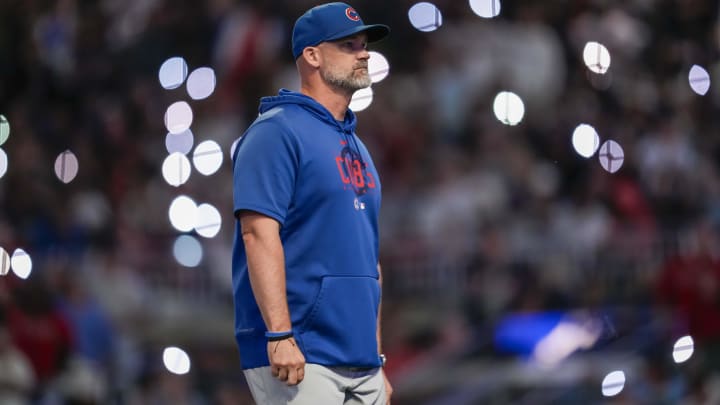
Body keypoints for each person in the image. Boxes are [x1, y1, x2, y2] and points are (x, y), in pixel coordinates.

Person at [230, 2, 392, 404]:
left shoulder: (358, 146)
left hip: (360, 358)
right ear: (313, 55)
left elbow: (369, 261)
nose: (364, 53)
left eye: (364, 44)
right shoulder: (276, 132)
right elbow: (257, 233)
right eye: (349, 45)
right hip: (302, 350)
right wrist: (279, 334)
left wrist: (377, 357)